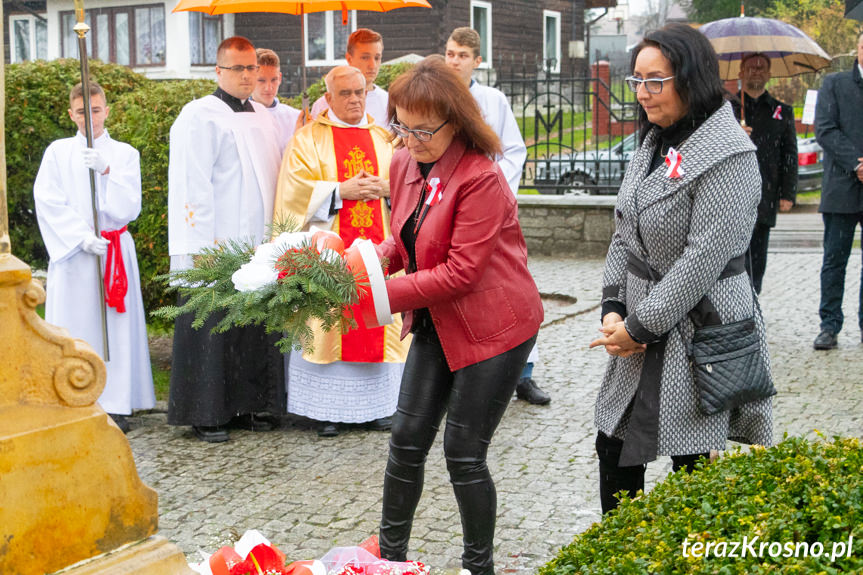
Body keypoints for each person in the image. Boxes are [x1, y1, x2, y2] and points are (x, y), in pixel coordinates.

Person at [588, 23, 773, 514]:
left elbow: (703, 260)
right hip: (639, 321)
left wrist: (640, 326)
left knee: (692, 464)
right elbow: (624, 228)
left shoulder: (730, 154)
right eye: (637, 81)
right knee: (615, 445)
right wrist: (612, 306)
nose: (643, 94)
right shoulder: (653, 141)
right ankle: (621, 554)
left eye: (656, 81)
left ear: (690, 79)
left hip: (699, 328)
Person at [374, 57, 543, 575]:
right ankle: (388, 560)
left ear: (457, 121)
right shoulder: (403, 163)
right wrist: (368, 263)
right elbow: (407, 240)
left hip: (496, 326)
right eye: (401, 125)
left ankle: (479, 567)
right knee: (405, 440)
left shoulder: (481, 178)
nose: (410, 139)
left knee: (463, 452)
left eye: (424, 130)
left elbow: (461, 272)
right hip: (437, 321)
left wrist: (380, 296)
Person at [274, 65, 409, 437]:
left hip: (380, 252)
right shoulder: (307, 140)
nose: (354, 99)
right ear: (328, 97)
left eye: (360, 92)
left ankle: (380, 408)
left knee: (379, 317)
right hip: (329, 252)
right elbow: (292, 194)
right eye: (345, 93)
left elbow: (410, 187)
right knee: (329, 323)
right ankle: (326, 410)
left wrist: (388, 187)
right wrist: (337, 192)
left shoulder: (386, 139)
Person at [167, 36, 284, 443]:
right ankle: (208, 412)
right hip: (216, 241)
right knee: (214, 326)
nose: (248, 76)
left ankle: (253, 404)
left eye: (253, 68)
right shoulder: (199, 116)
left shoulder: (263, 116)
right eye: (238, 69)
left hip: (257, 240)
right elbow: (190, 185)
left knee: (254, 324)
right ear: (218, 71)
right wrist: (197, 245)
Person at [34, 81, 155, 433]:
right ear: (72, 114)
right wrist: (80, 237)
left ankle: (115, 401)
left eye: (97, 109)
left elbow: (129, 207)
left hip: (113, 248)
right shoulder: (57, 152)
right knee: (77, 324)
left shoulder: (125, 154)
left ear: (107, 110)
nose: (91, 117)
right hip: (76, 254)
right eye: (83, 111)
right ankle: (75, 395)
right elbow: (48, 200)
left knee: (114, 330)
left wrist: (106, 171)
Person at [445, 27, 549, 405]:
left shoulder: (494, 100)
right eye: (450, 53)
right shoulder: (436, 98)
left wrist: (490, 195)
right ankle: (465, 374)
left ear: (477, 60)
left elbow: (514, 152)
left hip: (491, 212)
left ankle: (524, 373)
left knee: (508, 287)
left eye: (461, 55)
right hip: (448, 214)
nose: (453, 60)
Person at [812, 32, 863, 350]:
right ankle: (829, 325)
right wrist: (857, 164)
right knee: (834, 260)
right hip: (841, 188)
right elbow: (825, 129)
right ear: (858, 48)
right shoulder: (834, 84)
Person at [733, 52, 797, 294]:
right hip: (733, 194)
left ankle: (753, 303)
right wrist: (735, 136)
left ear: (769, 74)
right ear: (741, 72)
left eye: (761, 68)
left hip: (765, 194)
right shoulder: (727, 110)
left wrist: (788, 193)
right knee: (732, 258)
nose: (756, 71)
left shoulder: (781, 111)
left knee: (758, 259)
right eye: (751, 67)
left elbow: (789, 155)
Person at [310, 29, 388, 127]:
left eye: (377, 58)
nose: (372, 65)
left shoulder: (388, 103)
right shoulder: (323, 105)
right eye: (365, 57)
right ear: (349, 59)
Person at [252, 48, 301, 155]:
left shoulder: (295, 118)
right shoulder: (240, 117)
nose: (268, 87)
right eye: (261, 80)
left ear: (280, 78)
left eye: (274, 80)